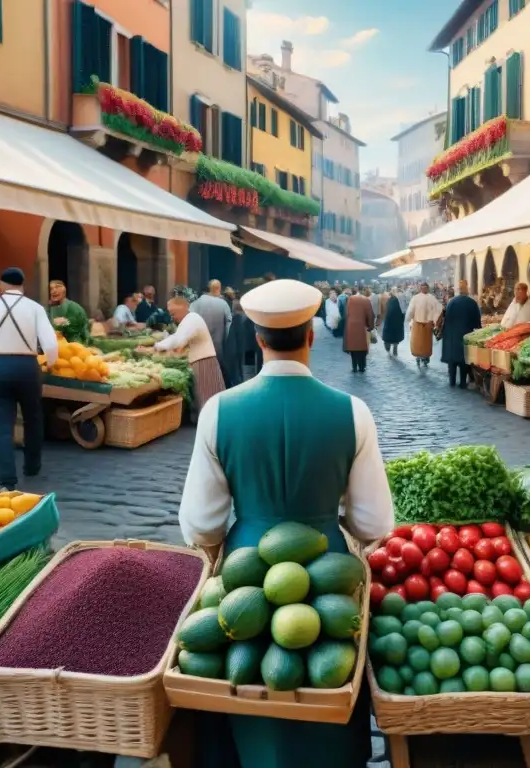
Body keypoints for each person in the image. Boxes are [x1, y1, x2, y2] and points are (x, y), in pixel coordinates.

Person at [178, 279, 394, 768]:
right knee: (326, 683)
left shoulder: (218, 411)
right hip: (327, 578)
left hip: (245, 574)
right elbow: (373, 521)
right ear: (312, 335)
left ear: (257, 338)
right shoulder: (352, 412)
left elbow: (200, 526)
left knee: (247, 683)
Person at [0, 268, 58, 489]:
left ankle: (7, 479)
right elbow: (50, 344)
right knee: (33, 417)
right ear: (23, 285)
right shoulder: (35, 308)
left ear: (1, 286)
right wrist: (50, 363)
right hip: (27, 367)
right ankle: (32, 466)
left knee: (1, 424)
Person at [155, 296, 224, 420]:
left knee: (208, 397)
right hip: (201, 360)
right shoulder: (190, 319)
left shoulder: (191, 319)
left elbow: (177, 340)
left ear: (183, 308)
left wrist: (157, 346)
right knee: (206, 396)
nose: (173, 317)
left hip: (204, 361)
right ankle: (209, 424)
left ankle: (212, 426)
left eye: (173, 313)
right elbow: (177, 337)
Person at [441, 280, 483, 388]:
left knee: (452, 361)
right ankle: (463, 383)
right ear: (467, 290)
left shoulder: (451, 302)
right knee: (464, 360)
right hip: (465, 335)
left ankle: (452, 381)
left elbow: (446, 319)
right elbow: (477, 322)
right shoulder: (472, 303)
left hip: (452, 336)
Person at [190, 280, 233, 376]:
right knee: (218, 375)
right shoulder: (223, 304)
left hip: (198, 348)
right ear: (218, 289)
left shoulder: (195, 304)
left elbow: (189, 324)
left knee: (201, 374)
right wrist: (226, 342)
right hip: (218, 349)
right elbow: (229, 326)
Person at [405, 282, 441, 367]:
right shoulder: (429, 298)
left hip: (423, 324)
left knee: (421, 342)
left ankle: (422, 356)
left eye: (425, 287)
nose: (424, 289)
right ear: (421, 288)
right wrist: (435, 322)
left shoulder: (418, 298)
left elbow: (437, 311)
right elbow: (438, 311)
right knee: (423, 342)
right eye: (423, 287)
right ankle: (422, 357)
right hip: (422, 324)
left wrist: (408, 318)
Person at [343, 288, 374, 373]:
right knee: (362, 348)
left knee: (353, 348)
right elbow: (370, 314)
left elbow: (346, 313)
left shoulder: (350, 299)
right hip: (361, 326)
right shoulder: (366, 300)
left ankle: (354, 367)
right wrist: (370, 326)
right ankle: (362, 366)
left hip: (351, 326)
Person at [381, 286, 405, 356]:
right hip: (396, 319)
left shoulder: (389, 299)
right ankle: (394, 346)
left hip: (390, 320)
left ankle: (390, 346)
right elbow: (403, 310)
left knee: (389, 333)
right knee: (395, 333)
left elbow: (385, 309)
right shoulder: (399, 299)